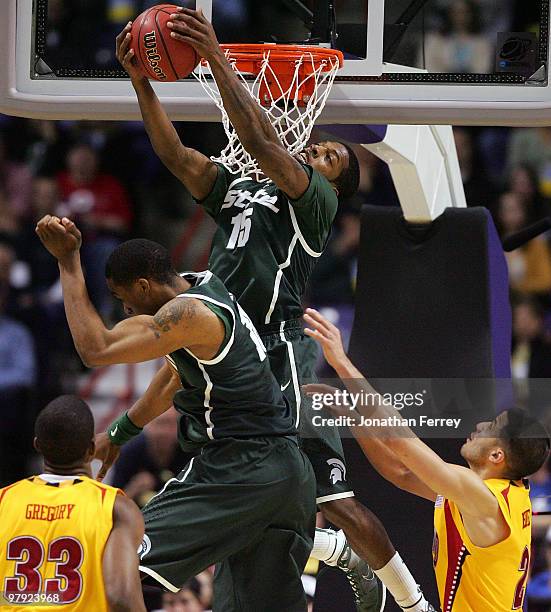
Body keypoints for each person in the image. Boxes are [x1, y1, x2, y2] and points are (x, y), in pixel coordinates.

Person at [115, 9, 433, 612]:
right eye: (322, 146)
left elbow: (262, 138)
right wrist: (142, 85)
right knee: (258, 507)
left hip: (276, 357)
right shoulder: (240, 187)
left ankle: (408, 601)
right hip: (226, 347)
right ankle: (330, 554)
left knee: (318, 498)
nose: (319, 149)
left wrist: (215, 59)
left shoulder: (311, 203)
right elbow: (177, 158)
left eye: (333, 157)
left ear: (333, 187)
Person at [35, 216, 316, 611]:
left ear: (144, 286)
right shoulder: (198, 287)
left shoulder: (189, 315)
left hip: (242, 465)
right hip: (284, 473)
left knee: (112, 561)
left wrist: (68, 262)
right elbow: (174, 378)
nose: (126, 308)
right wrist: (119, 434)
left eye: (122, 299)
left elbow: (95, 349)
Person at [302, 307, 551, 612]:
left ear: (497, 455)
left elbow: (398, 439)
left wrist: (341, 363)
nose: (480, 426)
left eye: (491, 427)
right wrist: (353, 417)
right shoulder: (494, 495)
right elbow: (400, 472)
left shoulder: (481, 497)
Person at [0, 394, 146, 611]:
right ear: (91, 449)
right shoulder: (115, 507)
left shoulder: (4, 500)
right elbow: (120, 596)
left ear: (37, 445)